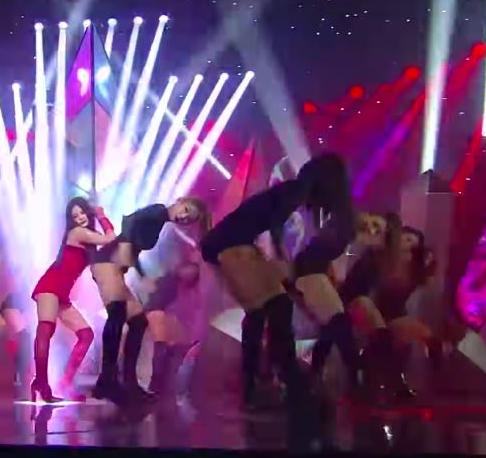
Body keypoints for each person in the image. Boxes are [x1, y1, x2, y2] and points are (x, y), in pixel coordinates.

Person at [200, 153, 355, 409]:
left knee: (270, 309)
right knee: (268, 309)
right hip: (229, 241)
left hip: (230, 240)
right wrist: (282, 261)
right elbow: (275, 226)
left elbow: (270, 224)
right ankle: (267, 383)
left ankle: (265, 382)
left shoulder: (295, 190)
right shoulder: (296, 190)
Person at [90, 197, 208, 403]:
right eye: (186, 210)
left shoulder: (160, 220)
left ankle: (129, 383)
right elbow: (129, 220)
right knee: (117, 316)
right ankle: (107, 382)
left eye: (188, 219)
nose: (183, 217)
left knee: (138, 322)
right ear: (179, 201)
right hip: (106, 261)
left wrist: (142, 275)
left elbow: (133, 247)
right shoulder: (158, 211)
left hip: (114, 265)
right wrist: (124, 248)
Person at [339, 219, 438, 401]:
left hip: (389, 316)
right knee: (377, 325)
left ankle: (398, 382)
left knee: (419, 334)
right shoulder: (375, 259)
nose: (410, 246)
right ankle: (367, 378)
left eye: (414, 245)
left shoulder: (412, 270)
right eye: (407, 239)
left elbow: (399, 305)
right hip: (359, 308)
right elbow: (352, 292)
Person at [30, 197, 115, 402]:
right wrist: (101, 216)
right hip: (49, 287)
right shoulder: (77, 233)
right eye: (75, 216)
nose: (80, 218)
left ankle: (65, 383)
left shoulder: (88, 242)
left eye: (82, 213)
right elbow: (110, 238)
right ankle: (41, 383)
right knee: (45, 332)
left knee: (86, 335)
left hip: (61, 294)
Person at [145, 260, 202, 397]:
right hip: (157, 311)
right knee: (163, 347)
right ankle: (157, 384)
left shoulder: (171, 281)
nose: (190, 275)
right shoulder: (170, 280)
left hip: (160, 311)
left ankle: (158, 384)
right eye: (189, 271)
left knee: (167, 348)